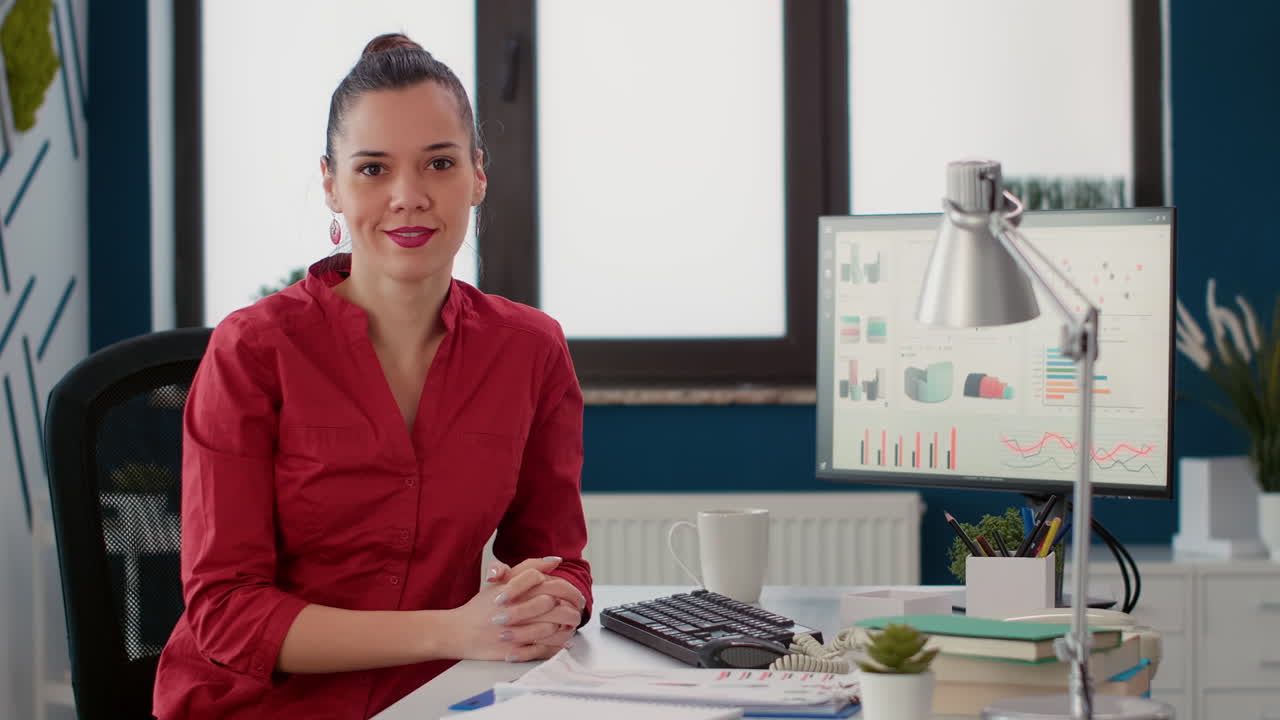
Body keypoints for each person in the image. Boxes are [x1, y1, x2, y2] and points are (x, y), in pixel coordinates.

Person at [153, 33, 593, 719]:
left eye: (438, 164)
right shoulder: (254, 350)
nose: (408, 196)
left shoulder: (531, 350)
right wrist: (455, 629)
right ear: (330, 183)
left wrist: (553, 600)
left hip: (437, 701)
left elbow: (556, 557)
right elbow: (227, 612)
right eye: (373, 169)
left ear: (478, 174)